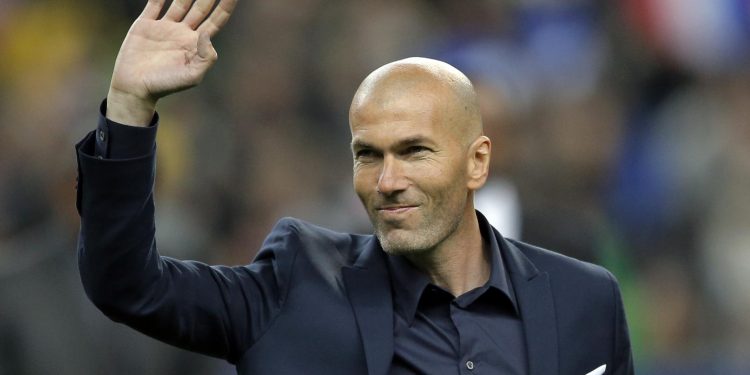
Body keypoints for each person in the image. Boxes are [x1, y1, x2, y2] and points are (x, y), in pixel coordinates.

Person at [75, 1, 633, 374]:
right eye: (369, 155)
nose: (388, 181)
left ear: (477, 164)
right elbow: (128, 286)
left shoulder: (586, 300)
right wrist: (128, 106)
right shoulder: (296, 285)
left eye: (414, 151)